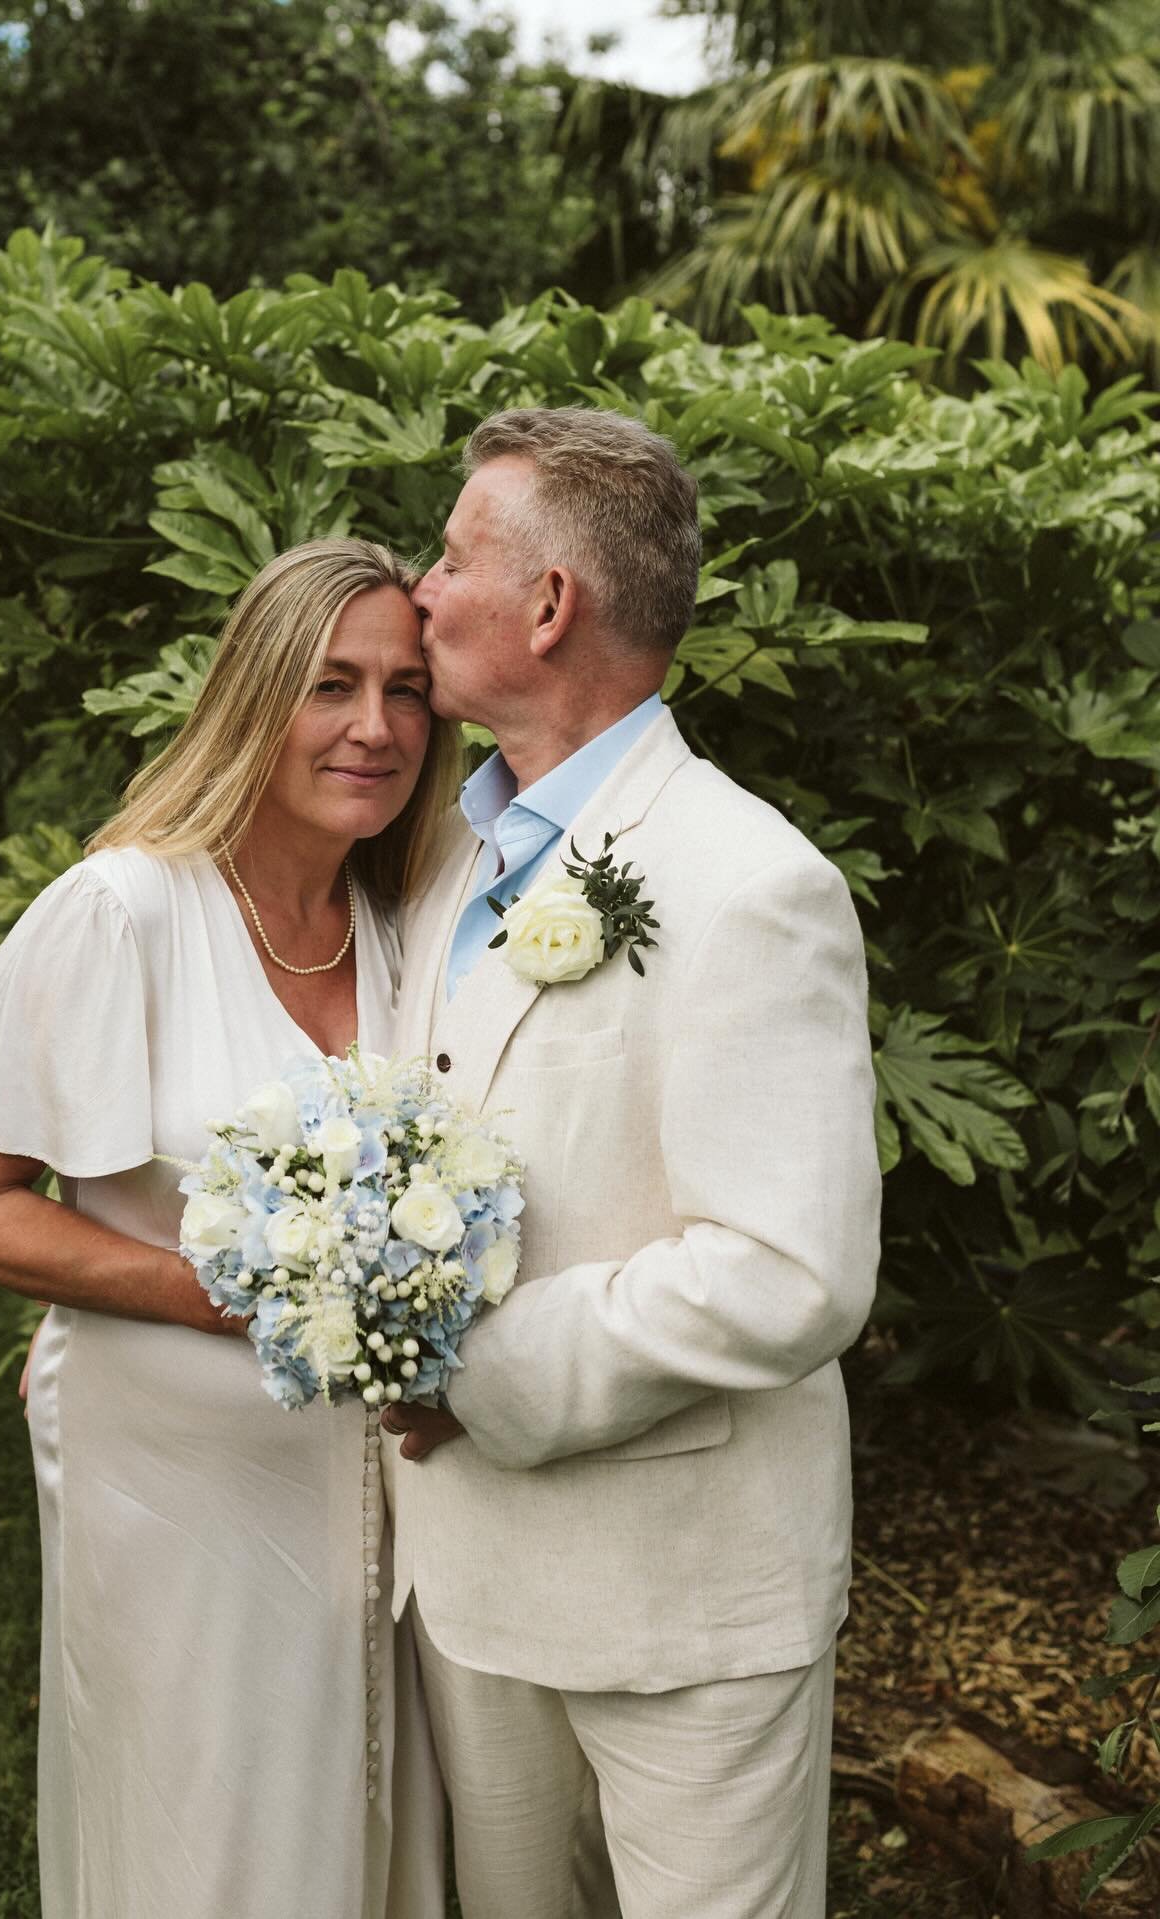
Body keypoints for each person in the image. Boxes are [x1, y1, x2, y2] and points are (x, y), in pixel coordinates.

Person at [380, 407, 882, 1919]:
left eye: (453, 556)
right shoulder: (450, 855)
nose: (419, 588)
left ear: (549, 607)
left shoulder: (751, 885)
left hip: (686, 1606)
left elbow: (792, 1273)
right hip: (472, 1586)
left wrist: (479, 1367)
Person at [0, 538, 455, 1918]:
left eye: (407, 690)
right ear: (255, 696)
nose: (376, 728)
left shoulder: (404, 924)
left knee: (361, 1812)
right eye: (332, 685)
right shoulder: (124, 912)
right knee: (197, 1821)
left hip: (378, 1490)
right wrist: (227, 1297)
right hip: (170, 1486)